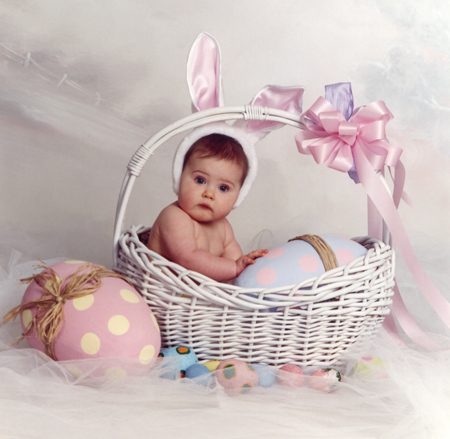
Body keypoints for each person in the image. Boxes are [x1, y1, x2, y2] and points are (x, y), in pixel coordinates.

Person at [146, 133, 267, 282]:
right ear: (179, 177)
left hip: (198, 298)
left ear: (238, 196)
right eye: (200, 180)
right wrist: (233, 268)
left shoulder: (223, 226)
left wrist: (244, 265)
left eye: (223, 188)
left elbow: (234, 259)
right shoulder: (174, 217)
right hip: (165, 291)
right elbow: (188, 258)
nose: (209, 194)